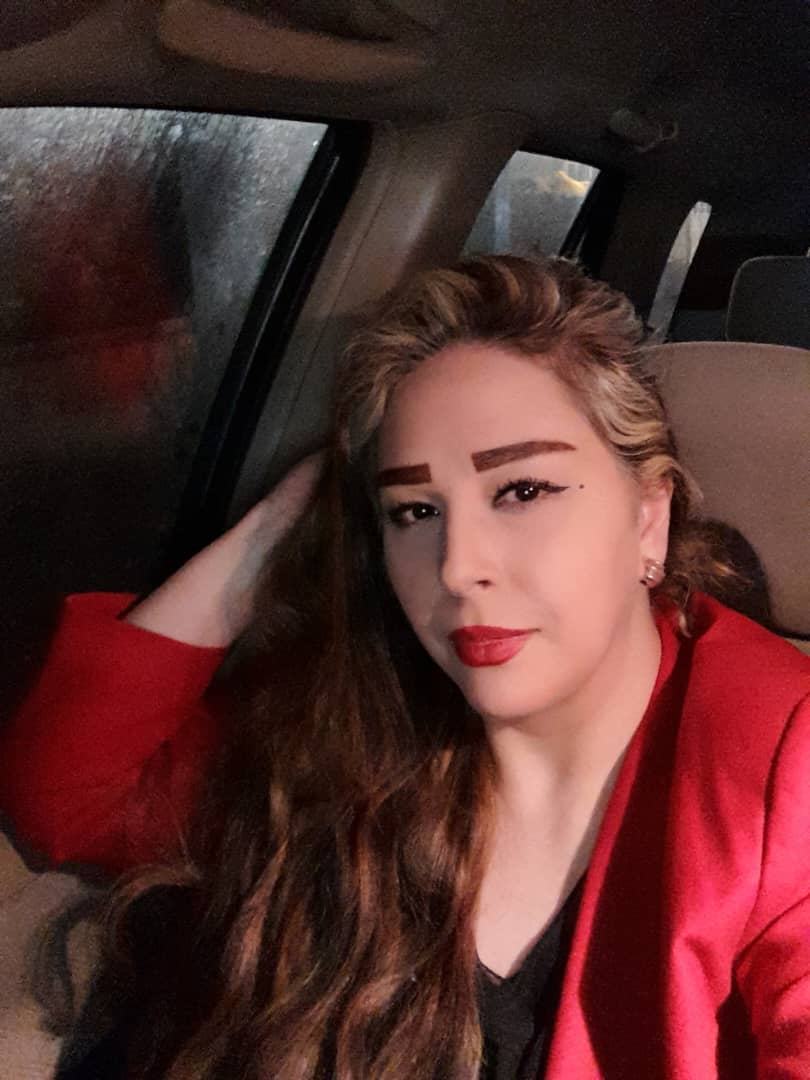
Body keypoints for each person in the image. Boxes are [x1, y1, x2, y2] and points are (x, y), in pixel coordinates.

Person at [1, 255, 809, 1079]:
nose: (458, 566)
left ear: (648, 517)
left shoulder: (784, 758)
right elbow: (71, 790)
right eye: (415, 510)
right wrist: (285, 523)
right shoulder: (361, 720)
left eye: (522, 491)